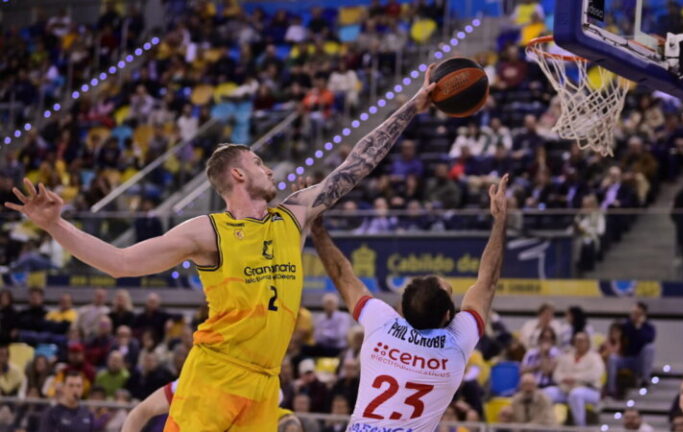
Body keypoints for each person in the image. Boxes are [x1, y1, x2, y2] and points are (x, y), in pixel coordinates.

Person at [6, 64, 437, 430]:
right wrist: (56, 225)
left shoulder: (294, 216)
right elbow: (121, 263)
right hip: (215, 376)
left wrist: (411, 108)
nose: (270, 170)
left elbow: (357, 163)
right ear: (238, 176)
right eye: (259, 164)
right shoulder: (207, 232)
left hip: (267, 383)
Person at [309, 174, 509, 431]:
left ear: (401, 309)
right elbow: (488, 281)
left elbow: (340, 273)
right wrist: (501, 220)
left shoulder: (382, 323)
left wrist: (317, 228)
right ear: (448, 316)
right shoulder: (457, 343)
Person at [121, 379, 303, 432]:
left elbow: (289, 423)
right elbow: (140, 412)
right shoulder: (194, 382)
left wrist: (289, 423)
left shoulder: (263, 385)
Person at [543, 332, 604, 427]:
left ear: (588, 343)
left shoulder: (595, 357)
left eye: (582, 341)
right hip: (565, 389)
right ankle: (548, 424)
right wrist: (563, 379)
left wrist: (574, 378)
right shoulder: (566, 356)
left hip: (589, 390)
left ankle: (580, 427)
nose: (579, 343)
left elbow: (595, 374)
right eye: (577, 341)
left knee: (576, 394)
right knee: (547, 392)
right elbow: (557, 374)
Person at [607, 302, 655, 396]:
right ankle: (611, 390)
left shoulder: (649, 327)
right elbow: (618, 335)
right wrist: (633, 325)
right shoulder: (626, 325)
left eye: (638, 314)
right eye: (633, 313)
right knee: (612, 358)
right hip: (625, 358)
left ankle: (645, 380)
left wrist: (638, 327)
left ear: (643, 315)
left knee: (650, 348)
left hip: (639, 360)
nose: (635, 316)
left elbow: (646, 339)